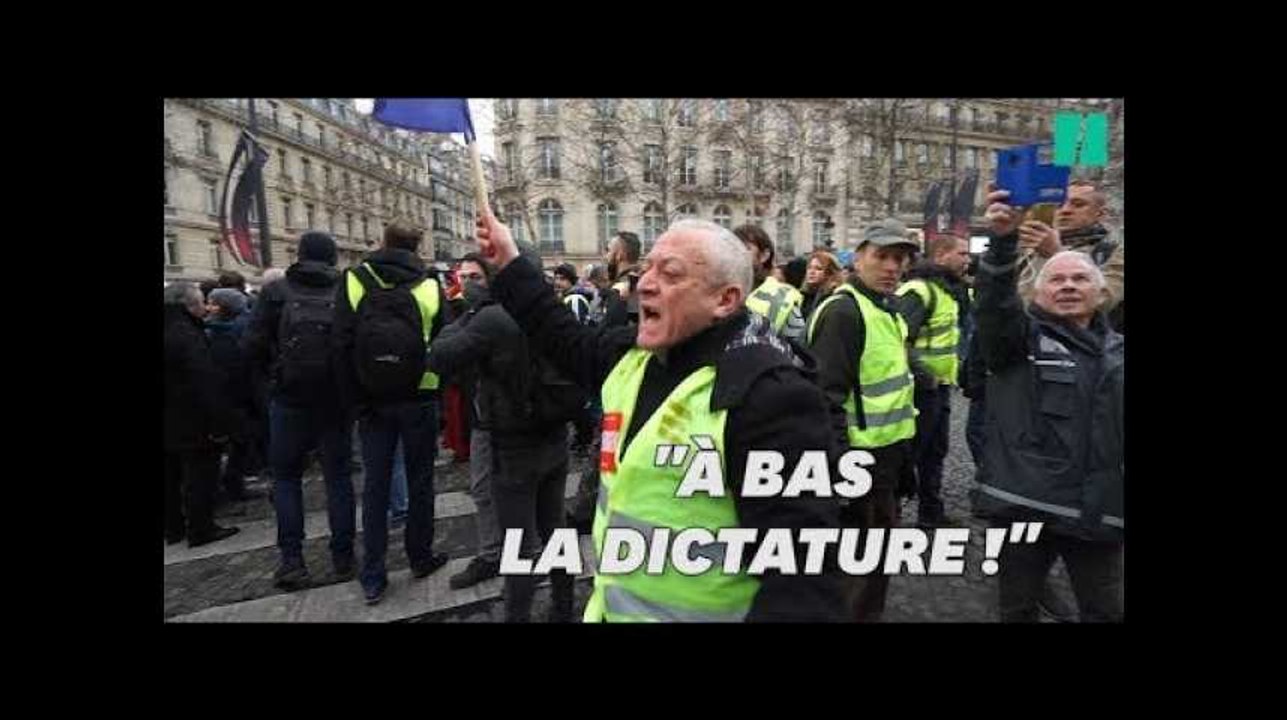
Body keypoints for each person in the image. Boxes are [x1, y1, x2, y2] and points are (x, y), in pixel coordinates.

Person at [477, 214, 847, 622]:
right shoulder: (635, 358)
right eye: (647, 267)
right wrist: (509, 261)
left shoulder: (770, 395)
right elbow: (562, 335)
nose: (645, 283)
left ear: (724, 300)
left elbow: (803, 578)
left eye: (670, 274)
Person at [973, 188, 1124, 623]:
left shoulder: (1118, 351)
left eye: (1080, 280)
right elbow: (995, 306)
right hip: (1026, 508)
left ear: (1100, 295)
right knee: (1018, 608)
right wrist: (1002, 240)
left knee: (1105, 610)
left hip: (1099, 512)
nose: (1069, 287)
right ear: (1036, 294)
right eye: (1057, 280)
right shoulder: (1017, 342)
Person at [426, 252, 570, 617]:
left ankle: (517, 615)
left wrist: (464, 314)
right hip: (554, 434)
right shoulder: (554, 312)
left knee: (517, 545)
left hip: (513, 443)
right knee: (556, 528)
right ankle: (564, 605)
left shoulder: (491, 317)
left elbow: (439, 356)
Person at [806, 218, 920, 622]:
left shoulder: (885, 310)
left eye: (900, 259)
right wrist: (843, 474)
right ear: (859, 258)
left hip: (887, 462)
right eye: (882, 256)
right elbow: (823, 399)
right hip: (860, 468)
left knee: (873, 570)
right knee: (857, 574)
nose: (892, 267)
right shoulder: (845, 312)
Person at [331, 223, 451, 604]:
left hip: (372, 401)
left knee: (376, 487)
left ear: (381, 243)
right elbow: (444, 343)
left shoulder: (354, 280)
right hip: (419, 397)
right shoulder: (430, 284)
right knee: (420, 483)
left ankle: (373, 574)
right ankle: (420, 556)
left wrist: (356, 400)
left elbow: (341, 344)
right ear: (418, 247)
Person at [241, 232, 357, 589]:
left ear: (300, 254)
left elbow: (251, 345)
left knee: (287, 479)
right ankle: (343, 558)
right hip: (335, 400)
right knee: (338, 479)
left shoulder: (276, 291)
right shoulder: (346, 289)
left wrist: (269, 386)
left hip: (288, 399)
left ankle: (292, 561)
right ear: (333, 257)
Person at [895, 233, 971, 528]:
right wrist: (924, 375)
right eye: (962, 253)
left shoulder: (948, 291)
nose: (968, 259)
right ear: (940, 256)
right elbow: (899, 339)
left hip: (940, 387)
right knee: (912, 454)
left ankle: (931, 513)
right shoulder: (919, 291)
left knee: (935, 451)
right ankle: (893, 514)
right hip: (919, 389)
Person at [164, 282, 240, 547]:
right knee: (200, 474)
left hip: (169, 418)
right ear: (189, 305)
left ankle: (173, 528)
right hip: (192, 416)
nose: (205, 308)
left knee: (170, 475)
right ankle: (201, 528)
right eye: (200, 303)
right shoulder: (187, 333)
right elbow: (204, 380)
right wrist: (220, 422)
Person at [1015, 180, 1124, 331]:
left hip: (1087, 347)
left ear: (1100, 214)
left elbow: (1103, 300)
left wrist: (1057, 256)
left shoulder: (1114, 253)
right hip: (1024, 343)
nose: (1065, 210)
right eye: (1059, 205)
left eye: (1078, 204)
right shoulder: (1029, 252)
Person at [204, 288, 263, 504]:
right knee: (239, 442)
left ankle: (226, 485)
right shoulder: (231, 332)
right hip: (233, 396)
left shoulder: (208, 330)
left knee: (235, 443)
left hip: (226, 395)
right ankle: (230, 486)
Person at [735, 224, 806, 342]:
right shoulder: (718, 292)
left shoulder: (783, 299)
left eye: (746, 248)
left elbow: (798, 350)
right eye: (734, 248)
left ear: (764, 255)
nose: (738, 253)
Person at [602, 230, 643, 325]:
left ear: (620, 254)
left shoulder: (625, 287)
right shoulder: (640, 281)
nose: (605, 257)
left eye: (608, 250)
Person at [801, 250, 844, 322]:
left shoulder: (834, 297)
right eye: (809, 267)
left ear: (830, 273)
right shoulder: (804, 295)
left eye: (818, 269)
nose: (812, 272)